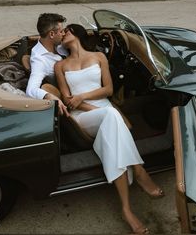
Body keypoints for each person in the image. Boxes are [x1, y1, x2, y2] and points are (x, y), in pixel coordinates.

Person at [55, 24, 164, 234]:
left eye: (66, 31)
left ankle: (126, 209)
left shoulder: (99, 57)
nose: (62, 34)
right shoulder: (61, 65)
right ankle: (139, 170)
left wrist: (83, 96)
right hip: (83, 115)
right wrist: (82, 103)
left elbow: (109, 89)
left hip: (103, 110)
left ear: (76, 34)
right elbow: (68, 100)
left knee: (111, 130)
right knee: (112, 115)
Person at [26, 13, 68, 115]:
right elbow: (31, 90)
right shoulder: (39, 60)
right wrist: (49, 96)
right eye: (61, 31)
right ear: (52, 34)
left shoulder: (57, 44)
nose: (64, 34)